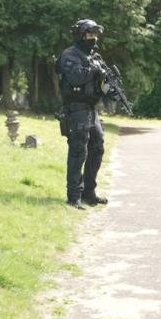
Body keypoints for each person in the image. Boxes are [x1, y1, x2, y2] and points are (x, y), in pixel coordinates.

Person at [56, 19, 109, 210]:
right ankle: (74, 196)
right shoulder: (70, 55)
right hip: (76, 108)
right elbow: (77, 76)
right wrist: (95, 70)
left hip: (91, 108)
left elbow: (101, 81)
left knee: (97, 147)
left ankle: (89, 193)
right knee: (79, 150)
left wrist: (107, 84)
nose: (93, 39)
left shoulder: (95, 56)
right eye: (89, 35)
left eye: (95, 35)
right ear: (80, 35)